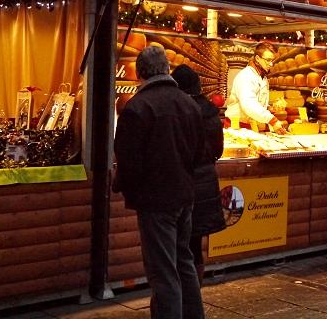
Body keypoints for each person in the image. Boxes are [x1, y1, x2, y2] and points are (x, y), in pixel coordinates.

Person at [113, 46, 205, 319]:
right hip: (185, 196)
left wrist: (121, 185)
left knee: (163, 272)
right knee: (184, 262)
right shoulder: (189, 103)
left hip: (156, 200)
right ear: (167, 69)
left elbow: (128, 158)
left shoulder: (138, 107)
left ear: (140, 73)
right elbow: (200, 153)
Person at [171, 65, 226, 286]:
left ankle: (184, 291)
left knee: (179, 243)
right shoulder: (210, 112)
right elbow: (218, 151)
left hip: (185, 182)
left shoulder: (179, 110)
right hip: (206, 182)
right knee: (195, 244)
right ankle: (196, 289)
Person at [225, 41, 287, 134]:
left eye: (272, 60)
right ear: (257, 58)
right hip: (236, 127)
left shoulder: (262, 77)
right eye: (268, 60)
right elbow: (249, 104)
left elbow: (256, 100)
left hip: (249, 126)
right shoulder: (246, 76)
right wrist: (272, 120)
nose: (271, 64)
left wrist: (268, 108)